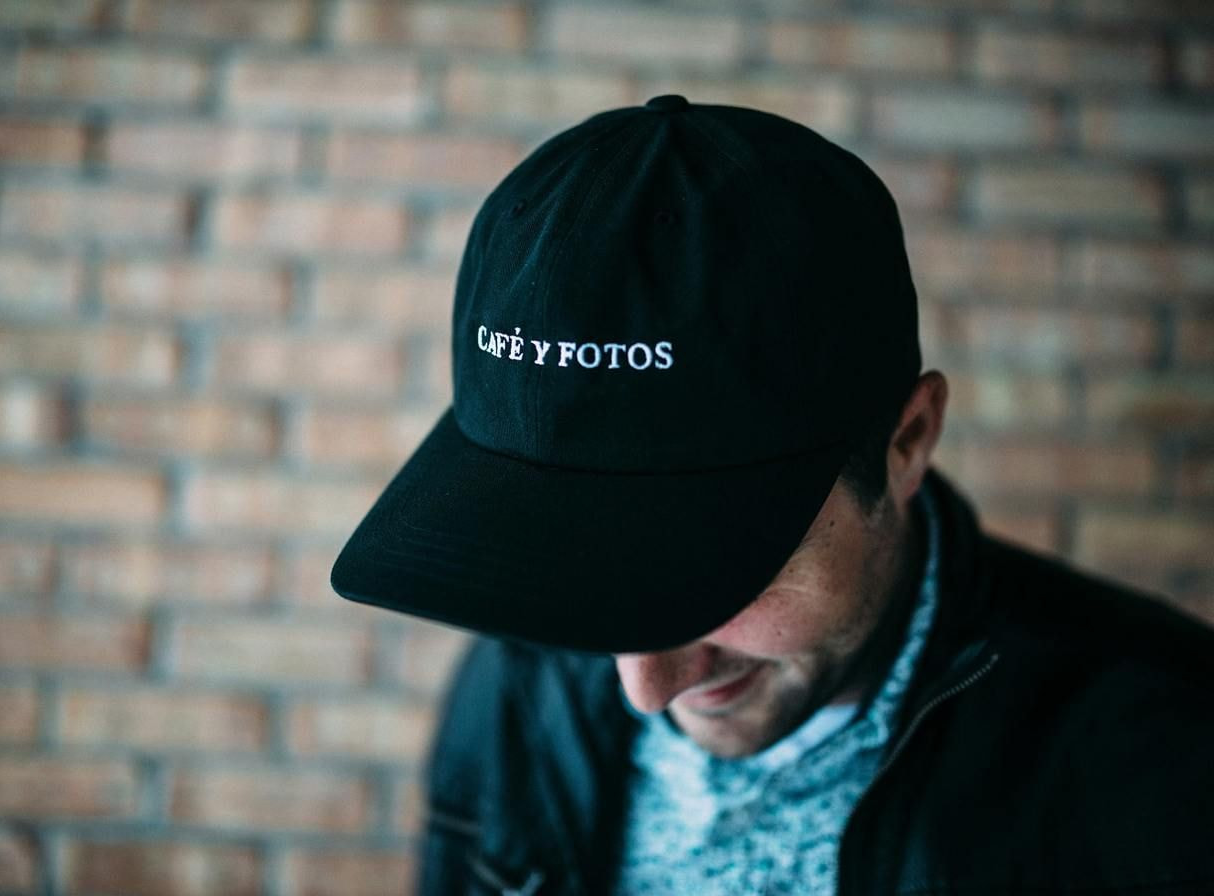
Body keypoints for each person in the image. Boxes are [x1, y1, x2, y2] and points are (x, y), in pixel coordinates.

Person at [331, 95, 1214, 895]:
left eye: (713, 571)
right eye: (569, 569)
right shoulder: (519, 679)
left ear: (906, 443)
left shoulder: (1165, 753)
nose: (644, 688)